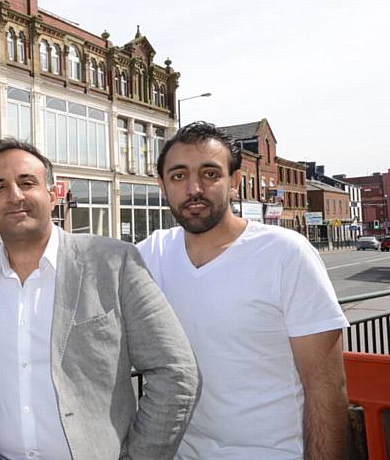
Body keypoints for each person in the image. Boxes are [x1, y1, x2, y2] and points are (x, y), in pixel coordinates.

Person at [0, 138, 200, 460]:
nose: (15, 196)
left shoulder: (115, 263)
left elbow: (176, 371)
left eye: (26, 182)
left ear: (52, 195)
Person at [137, 122, 349, 460]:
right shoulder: (152, 253)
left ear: (234, 182)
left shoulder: (285, 252)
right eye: (178, 176)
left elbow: (325, 385)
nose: (194, 189)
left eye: (210, 174)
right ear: (163, 185)